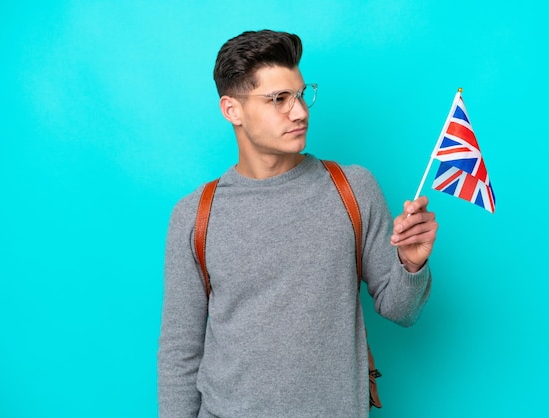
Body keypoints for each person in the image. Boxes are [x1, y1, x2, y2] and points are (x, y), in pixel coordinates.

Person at [158, 29, 438, 418]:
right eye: (278, 99)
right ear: (231, 110)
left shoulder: (352, 189)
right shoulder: (195, 215)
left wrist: (410, 264)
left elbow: (401, 311)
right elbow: (179, 352)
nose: (300, 111)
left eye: (301, 94)